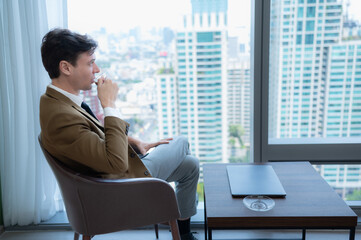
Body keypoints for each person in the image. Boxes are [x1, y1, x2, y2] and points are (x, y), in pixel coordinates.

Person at [39, 28, 199, 240]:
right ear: (66, 67)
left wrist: (133, 142)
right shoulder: (62, 117)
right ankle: (174, 224)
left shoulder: (57, 102)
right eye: (89, 63)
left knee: (190, 165)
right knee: (181, 142)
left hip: (107, 180)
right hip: (117, 189)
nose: (96, 69)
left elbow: (90, 138)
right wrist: (109, 105)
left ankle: (184, 234)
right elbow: (115, 163)